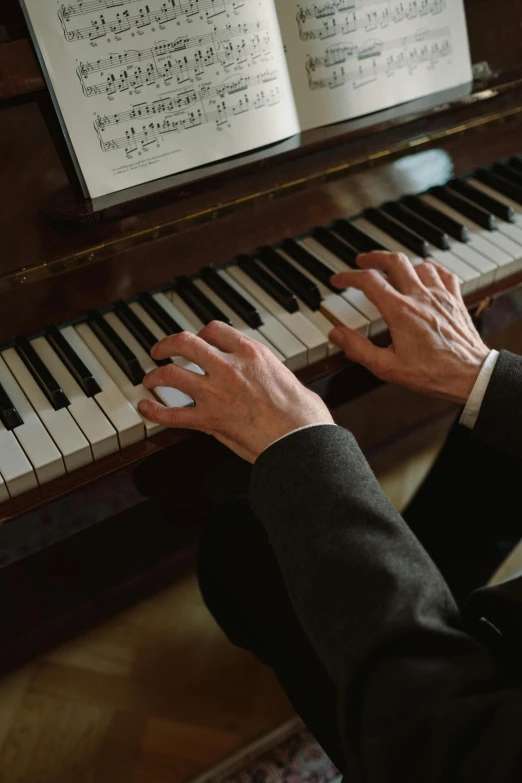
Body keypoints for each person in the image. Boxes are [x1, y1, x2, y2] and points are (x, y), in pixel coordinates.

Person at [138, 251, 522, 781]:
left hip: (431, 724)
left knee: (238, 537)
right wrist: (483, 376)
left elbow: (435, 740)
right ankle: (431, 590)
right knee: (496, 450)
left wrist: (300, 447)